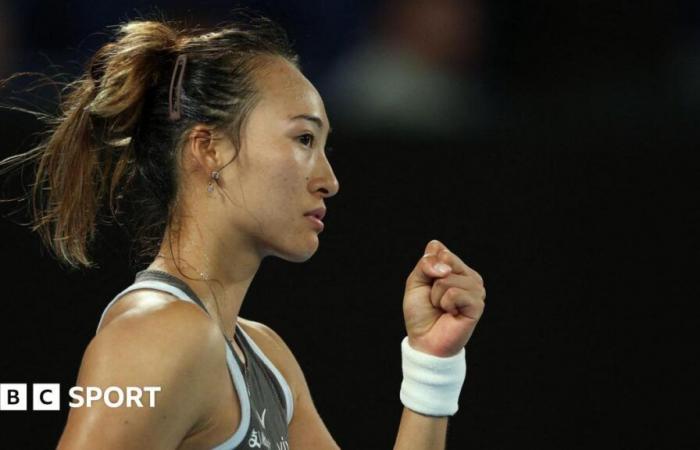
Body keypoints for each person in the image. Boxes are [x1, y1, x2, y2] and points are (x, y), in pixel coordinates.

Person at [1, 15, 485, 449]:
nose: (329, 180)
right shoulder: (158, 335)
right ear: (209, 149)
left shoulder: (268, 360)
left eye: (323, 146)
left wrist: (431, 363)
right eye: (303, 138)